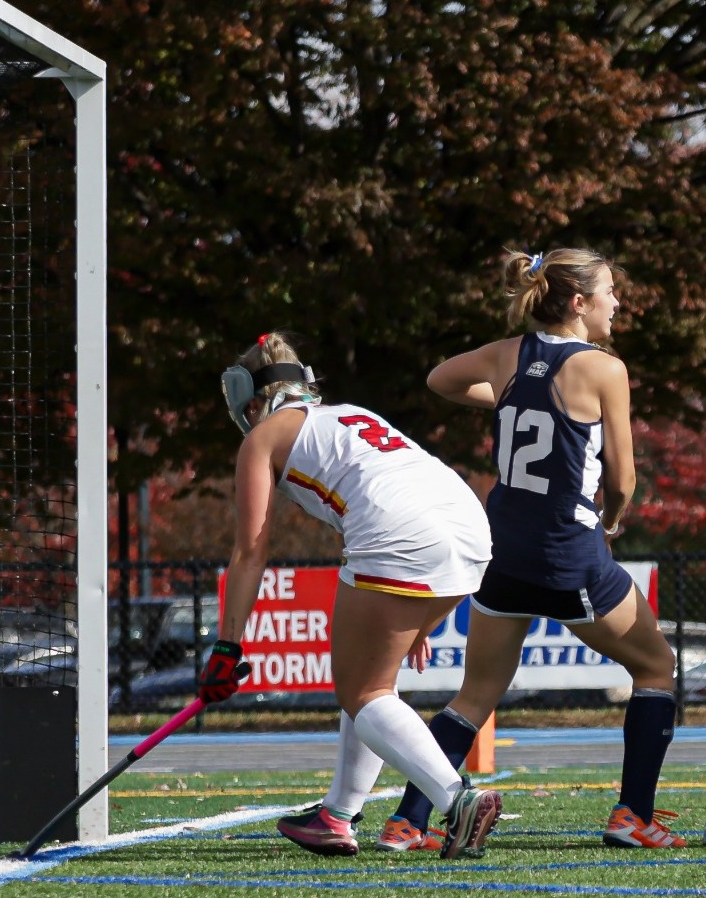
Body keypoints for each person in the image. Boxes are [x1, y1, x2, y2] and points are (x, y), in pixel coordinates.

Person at [375, 248, 685, 851]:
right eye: (609, 291)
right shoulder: (604, 368)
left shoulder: (507, 353)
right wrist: (614, 520)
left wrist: (511, 399)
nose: (616, 302)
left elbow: (440, 379)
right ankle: (633, 817)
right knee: (655, 668)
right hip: (566, 549)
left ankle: (407, 822)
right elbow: (622, 481)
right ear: (578, 302)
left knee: (474, 694)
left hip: (503, 547)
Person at [207, 332, 501, 859]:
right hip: (470, 524)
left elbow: (250, 552)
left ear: (252, 398)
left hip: (402, 531)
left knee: (361, 692)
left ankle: (456, 799)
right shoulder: (346, 415)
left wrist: (228, 647)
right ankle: (336, 815)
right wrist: (419, 622)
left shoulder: (261, 439)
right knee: (366, 677)